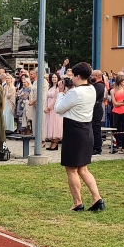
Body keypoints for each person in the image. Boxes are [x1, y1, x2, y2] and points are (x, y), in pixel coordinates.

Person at [54, 63, 103, 212]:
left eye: (72, 76)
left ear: (77, 76)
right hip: (86, 129)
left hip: (74, 131)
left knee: (71, 169)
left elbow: (59, 109)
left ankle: (77, 202)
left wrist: (61, 92)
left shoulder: (74, 93)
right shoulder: (92, 89)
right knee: (83, 169)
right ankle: (97, 198)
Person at [110, 73, 124, 153]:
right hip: (116, 111)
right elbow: (114, 103)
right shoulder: (113, 91)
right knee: (116, 127)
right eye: (123, 80)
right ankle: (117, 144)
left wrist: (121, 102)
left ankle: (123, 145)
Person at [44, 74, 63, 150]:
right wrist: (45, 107)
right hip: (49, 109)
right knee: (50, 124)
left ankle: (55, 143)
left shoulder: (58, 88)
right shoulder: (50, 87)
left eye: (55, 77)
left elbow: (55, 99)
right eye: (52, 77)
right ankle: (51, 142)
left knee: (55, 125)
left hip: (54, 109)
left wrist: (49, 107)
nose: (54, 79)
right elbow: (46, 98)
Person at [91, 70, 106, 155]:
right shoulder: (96, 85)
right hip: (94, 109)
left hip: (97, 110)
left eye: (92, 75)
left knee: (96, 129)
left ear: (96, 76)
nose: (90, 77)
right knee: (93, 129)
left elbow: (95, 96)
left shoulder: (99, 85)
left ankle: (97, 148)